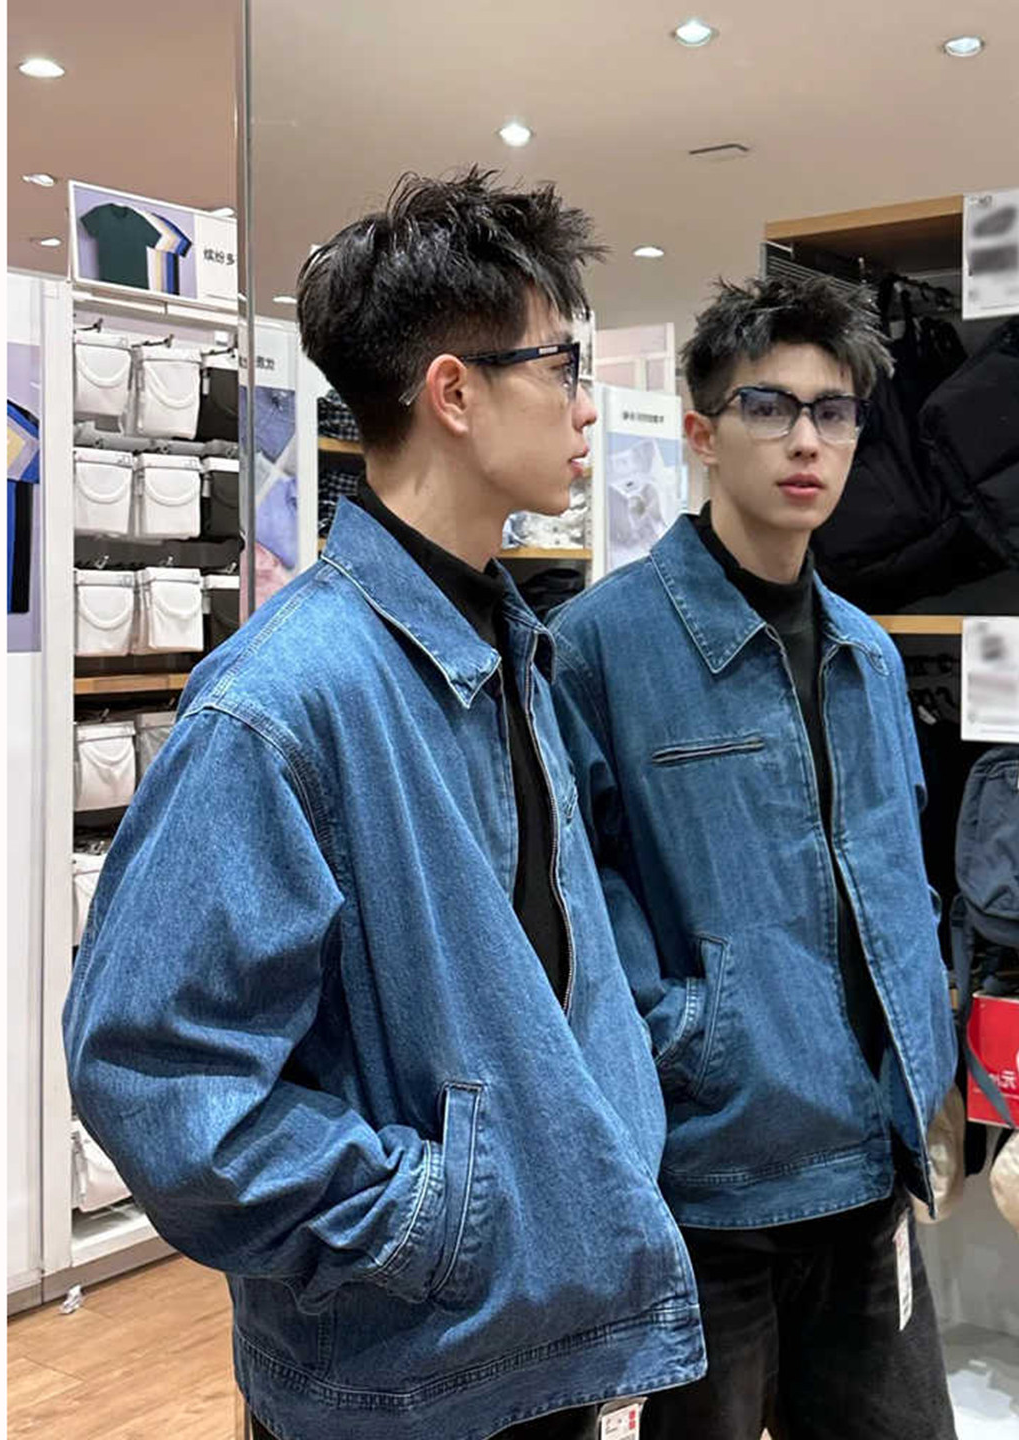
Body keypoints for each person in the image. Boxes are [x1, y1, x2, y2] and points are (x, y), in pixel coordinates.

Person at [63, 168, 705, 1440]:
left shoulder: (509, 648)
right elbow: (153, 1067)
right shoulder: (283, 697)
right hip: (404, 1377)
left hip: (528, 1341)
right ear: (454, 393)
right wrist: (426, 1215)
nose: (585, 406)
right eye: (560, 366)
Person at [548, 274, 960, 1440]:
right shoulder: (597, 647)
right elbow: (574, 904)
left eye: (833, 413)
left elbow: (894, 878)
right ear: (700, 431)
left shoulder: (869, 652)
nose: (805, 441)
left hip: (871, 1166)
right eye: (768, 407)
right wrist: (686, 1032)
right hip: (709, 1186)